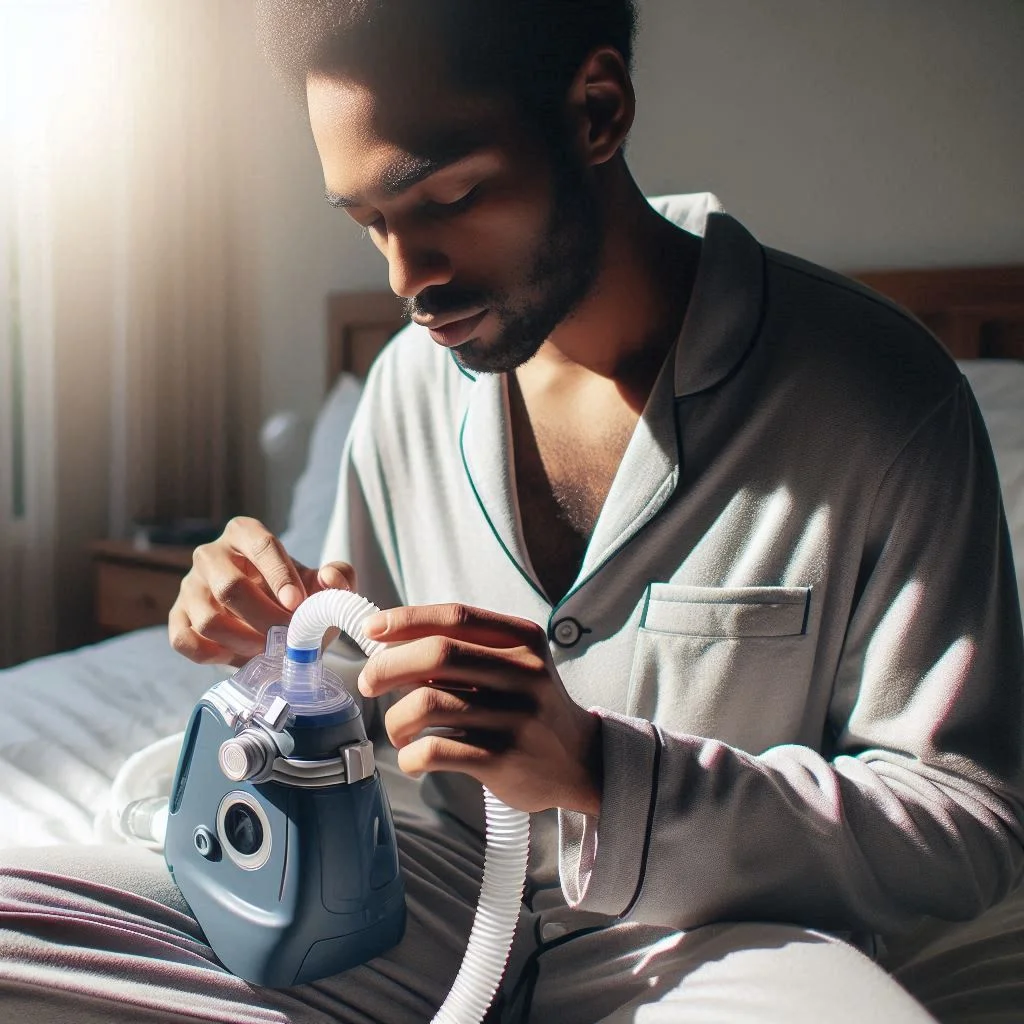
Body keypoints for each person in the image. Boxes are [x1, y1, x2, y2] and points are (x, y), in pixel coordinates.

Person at [0, 2, 1021, 1022]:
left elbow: (969, 823)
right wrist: (271, 641)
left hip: (711, 938)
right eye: (369, 221)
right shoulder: (407, 384)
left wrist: (599, 771)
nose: (407, 277)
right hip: (408, 898)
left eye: (447, 196)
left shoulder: (876, 396)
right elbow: (361, 691)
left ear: (596, 110)